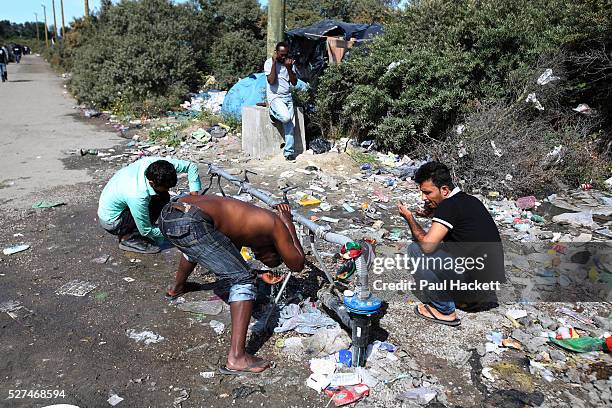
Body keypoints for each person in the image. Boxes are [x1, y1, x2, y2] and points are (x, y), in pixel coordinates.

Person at [159, 195, 305, 374]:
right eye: (270, 258)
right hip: (192, 221)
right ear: (274, 245)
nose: (259, 257)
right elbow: (297, 264)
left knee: (196, 244)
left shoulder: (246, 223)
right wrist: (287, 222)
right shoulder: (276, 224)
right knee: (243, 280)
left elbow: (220, 256)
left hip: (169, 215)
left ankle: (177, 288)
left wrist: (258, 275)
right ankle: (237, 358)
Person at [397, 162, 504, 327]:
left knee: (415, 250)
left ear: (444, 190)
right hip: (486, 288)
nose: (424, 198)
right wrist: (434, 213)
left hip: (472, 288)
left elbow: (427, 246)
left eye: (427, 192)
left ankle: (444, 310)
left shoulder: (448, 206)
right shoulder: (469, 201)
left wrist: (410, 218)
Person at [98, 157, 201, 254]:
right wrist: (172, 232)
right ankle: (129, 239)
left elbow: (191, 166)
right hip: (112, 221)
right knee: (162, 198)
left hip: (121, 201)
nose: (168, 190)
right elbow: (146, 230)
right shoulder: (138, 195)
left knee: (163, 195)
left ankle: (137, 229)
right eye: (165, 187)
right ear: (152, 183)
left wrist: (194, 196)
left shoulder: (155, 164)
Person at [264, 42, 298, 162]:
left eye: (286, 54)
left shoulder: (289, 63)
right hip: (275, 97)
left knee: (290, 127)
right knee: (285, 117)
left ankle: (289, 152)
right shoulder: (269, 63)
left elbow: (294, 82)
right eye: (281, 55)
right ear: (276, 53)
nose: (284, 57)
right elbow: (271, 81)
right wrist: (274, 63)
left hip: (287, 97)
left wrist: (289, 68)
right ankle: (272, 113)